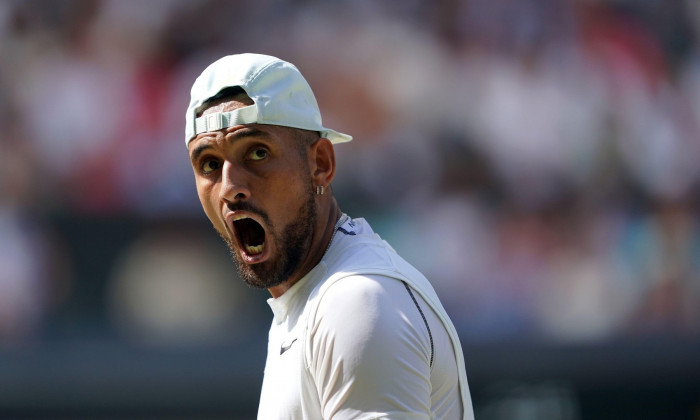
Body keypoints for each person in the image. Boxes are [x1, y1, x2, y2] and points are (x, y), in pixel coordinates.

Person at [184, 53, 474, 419]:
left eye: (257, 153)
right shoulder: (312, 298)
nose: (230, 188)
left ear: (320, 164)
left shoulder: (356, 302)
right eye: (209, 163)